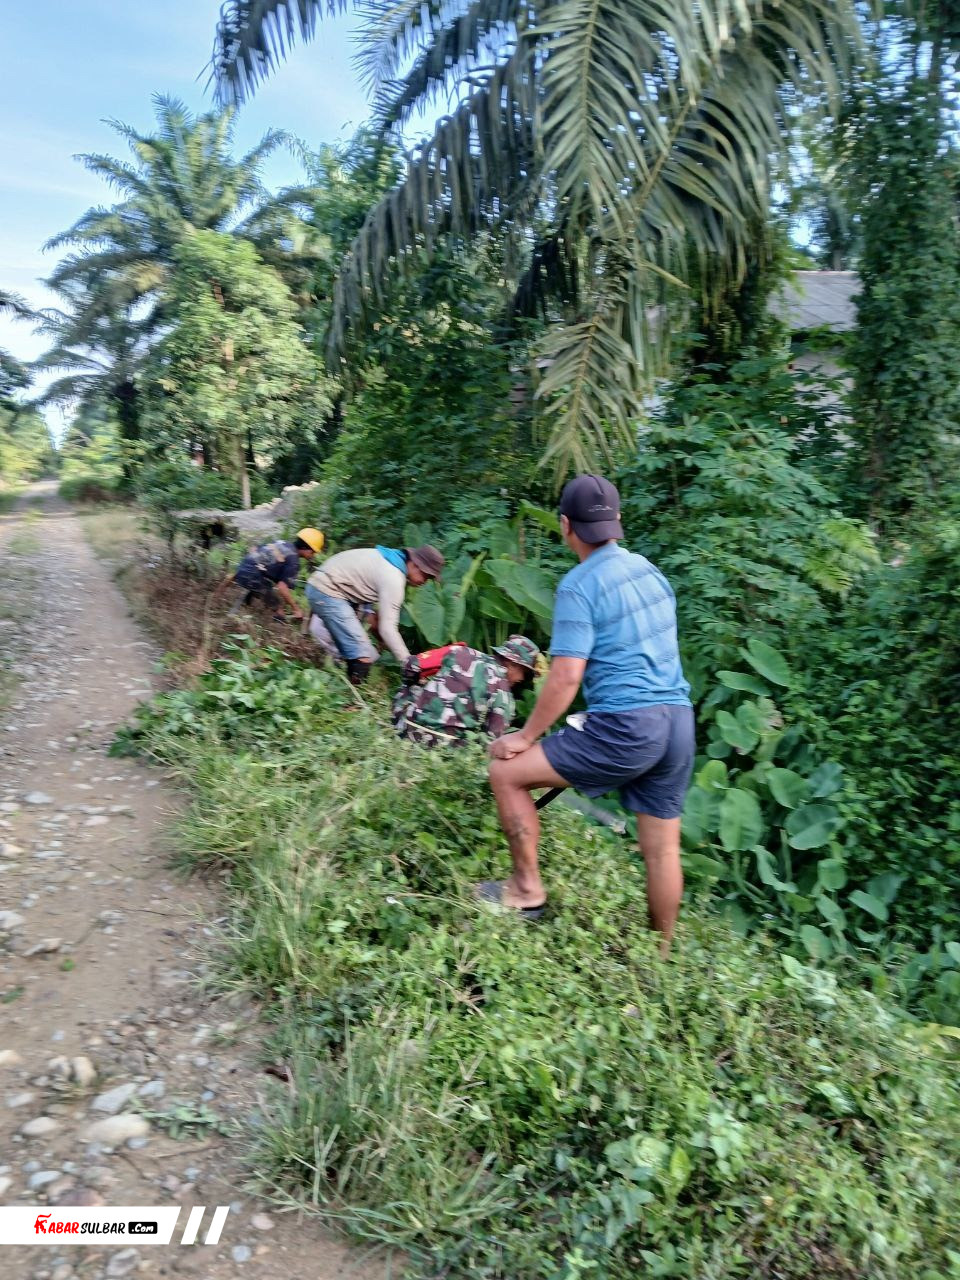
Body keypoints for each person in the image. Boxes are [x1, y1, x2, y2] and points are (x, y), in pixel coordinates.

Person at [483, 474, 694, 951]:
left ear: (565, 526)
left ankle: (526, 890)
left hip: (628, 726)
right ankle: (663, 956)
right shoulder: (650, 571)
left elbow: (565, 677)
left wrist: (526, 737)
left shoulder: (579, 585)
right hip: (679, 722)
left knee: (506, 773)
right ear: (617, 521)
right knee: (663, 850)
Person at [305, 544, 444, 684]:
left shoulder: (388, 558)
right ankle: (352, 693)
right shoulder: (394, 577)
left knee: (362, 651)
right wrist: (409, 664)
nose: (424, 582)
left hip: (321, 585)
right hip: (329, 591)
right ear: (415, 565)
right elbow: (387, 629)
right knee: (362, 655)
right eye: (426, 576)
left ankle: (338, 674)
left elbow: (369, 613)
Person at [393, 636, 542, 747]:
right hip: (440, 747)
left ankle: (395, 726)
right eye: (524, 672)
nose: (522, 679)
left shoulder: (459, 650)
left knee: (411, 688)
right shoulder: (504, 697)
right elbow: (490, 741)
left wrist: (417, 684)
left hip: (405, 726)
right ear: (512, 663)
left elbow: (411, 665)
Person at [231, 529, 325, 622]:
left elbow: (255, 551)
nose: (313, 555)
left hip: (242, 569)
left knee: (266, 585)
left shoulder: (282, 543)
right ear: (305, 548)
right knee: (279, 610)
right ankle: (275, 623)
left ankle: (245, 606)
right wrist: (296, 609)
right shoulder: (293, 561)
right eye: (313, 552)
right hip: (252, 576)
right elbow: (282, 587)